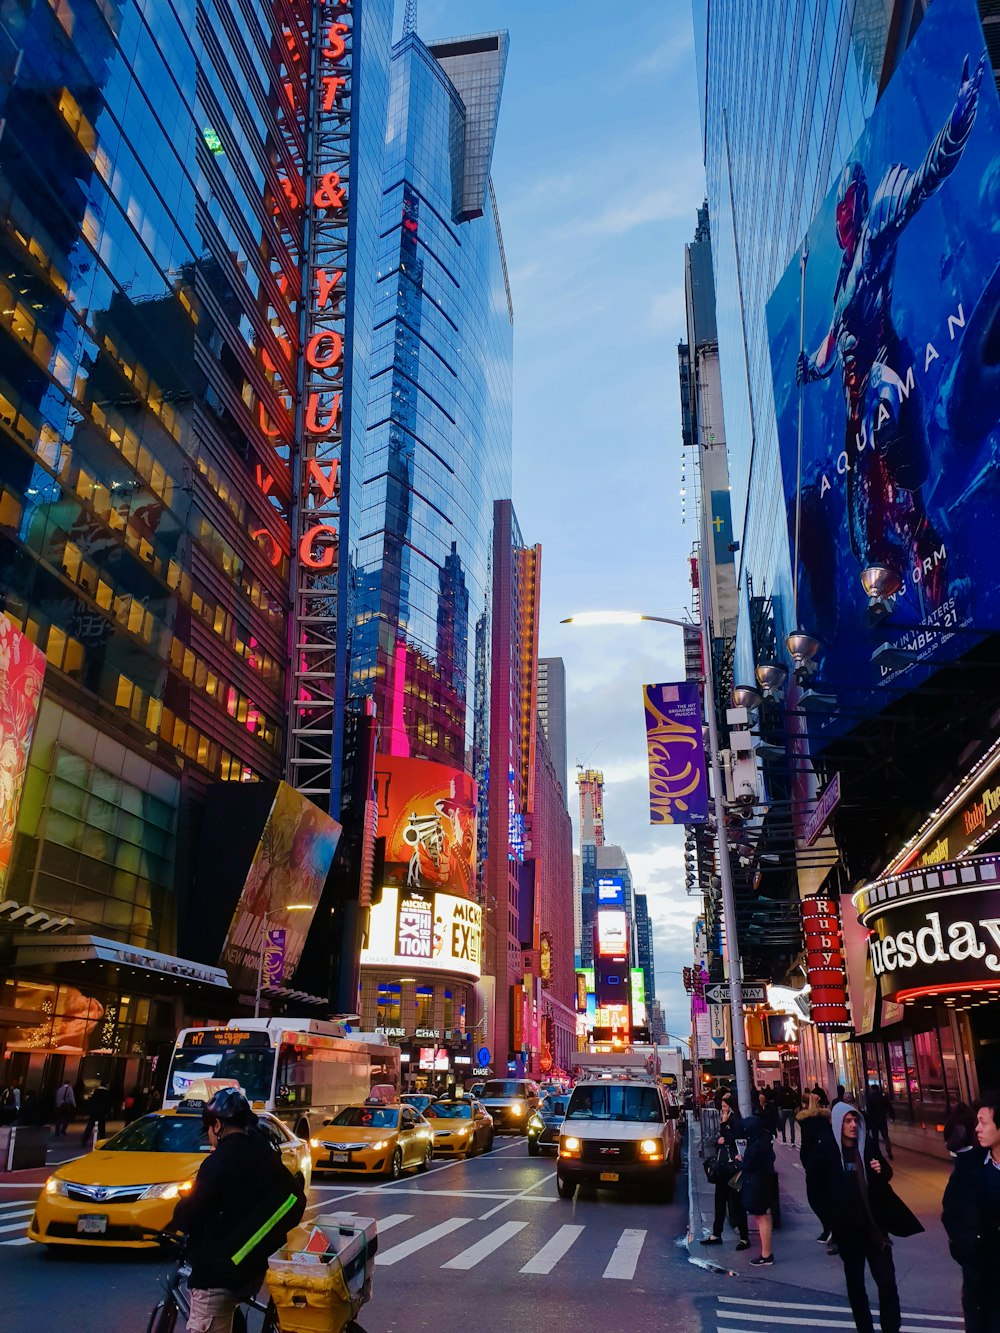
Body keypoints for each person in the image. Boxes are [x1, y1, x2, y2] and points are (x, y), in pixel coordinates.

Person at [172, 1087, 306, 1333]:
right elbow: (295, 1198)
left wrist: (180, 1213)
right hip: (251, 1268)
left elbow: (191, 1214)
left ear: (216, 1125)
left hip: (218, 1275)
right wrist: (257, 1241)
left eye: (208, 1130)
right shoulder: (265, 1153)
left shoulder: (219, 1162)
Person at [812, 1102, 922, 1333]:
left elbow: (886, 1174)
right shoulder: (827, 1151)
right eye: (848, 1121)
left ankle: (891, 1327)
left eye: (856, 1120)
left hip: (875, 1229)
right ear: (838, 1123)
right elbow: (815, 1189)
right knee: (856, 1284)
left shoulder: (867, 1145)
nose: (853, 1125)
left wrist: (880, 1169)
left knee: (887, 1283)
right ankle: (865, 1329)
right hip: (848, 1231)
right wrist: (830, 1220)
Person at [941, 1103, 986, 1333]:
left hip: (974, 1251)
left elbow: (949, 1213)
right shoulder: (976, 1164)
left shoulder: (966, 1169)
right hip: (976, 1250)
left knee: (975, 1304)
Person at [700, 1098, 749, 1252]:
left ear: (731, 1109)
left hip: (732, 1169)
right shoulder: (726, 1122)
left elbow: (733, 1139)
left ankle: (744, 1237)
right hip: (722, 1168)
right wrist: (720, 1138)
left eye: (725, 1107)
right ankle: (716, 1233)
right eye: (722, 1107)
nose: (722, 1110)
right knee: (719, 1203)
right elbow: (718, 1141)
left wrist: (723, 1128)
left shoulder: (737, 1123)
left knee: (736, 1204)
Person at [799, 1090, 838, 1250]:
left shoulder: (806, 1121)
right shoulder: (826, 1119)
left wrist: (806, 1163)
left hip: (814, 1163)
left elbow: (806, 1145)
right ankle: (829, 1228)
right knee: (827, 1195)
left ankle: (830, 1227)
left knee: (815, 1197)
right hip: (829, 1161)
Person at [738, 1112, 777, 1266]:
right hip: (765, 1182)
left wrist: (739, 1161)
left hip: (756, 1184)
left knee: (761, 1217)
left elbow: (748, 1166)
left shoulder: (755, 1146)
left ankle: (766, 1253)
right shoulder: (764, 1141)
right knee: (765, 1216)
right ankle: (767, 1252)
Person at [866, 1083, 895, 1159]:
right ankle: (889, 1152)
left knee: (875, 1138)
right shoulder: (883, 1097)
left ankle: (877, 1153)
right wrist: (892, 1116)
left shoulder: (870, 1097)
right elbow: (889, 1107)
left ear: (872, 1089)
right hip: (882, 1119)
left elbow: (868, 1110)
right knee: (885, 1136)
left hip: (873, 1120)